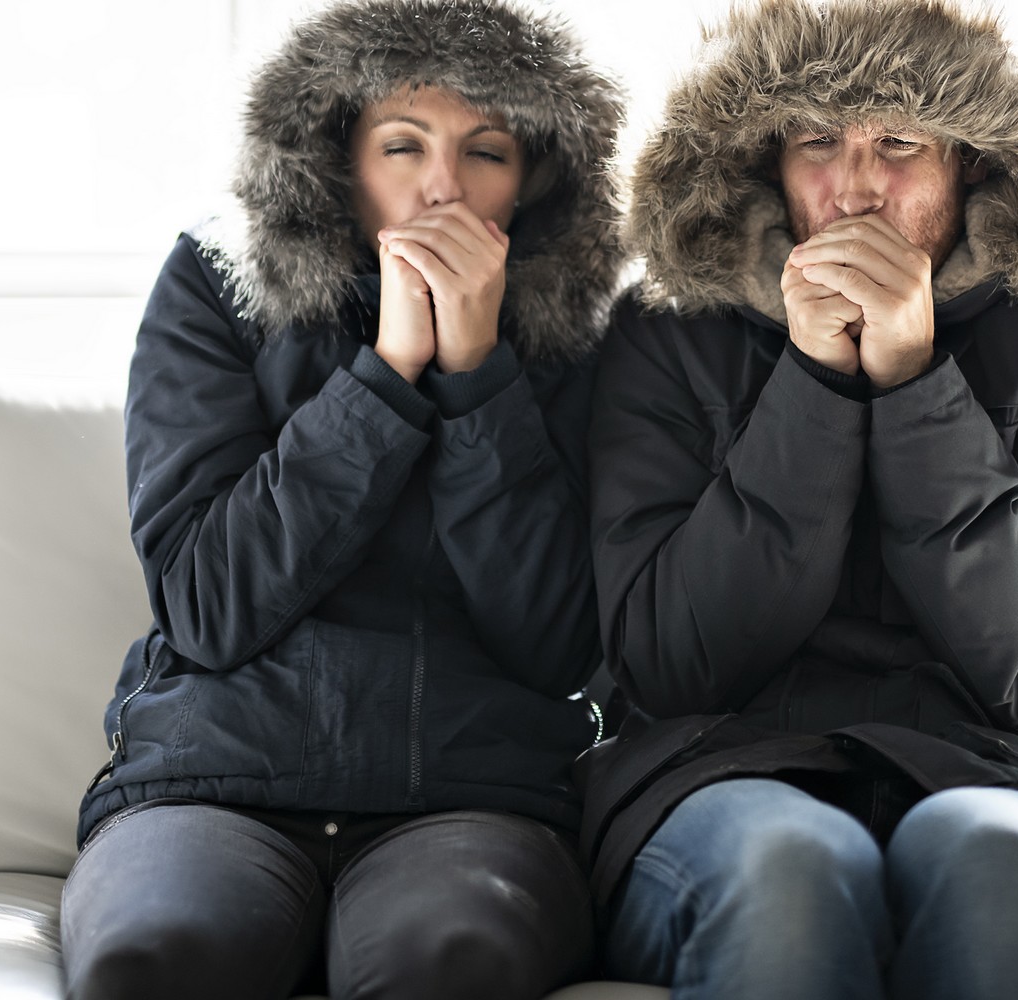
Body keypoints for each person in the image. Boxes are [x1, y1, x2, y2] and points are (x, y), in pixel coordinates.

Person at [583, 2, 1018, 998]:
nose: (856, 184)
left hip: (1005, 772)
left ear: (972, 162)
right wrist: (812, 387)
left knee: (999, 862)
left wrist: (913, 382)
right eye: (816, 139)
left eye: (899, 141)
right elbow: (667, 663)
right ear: (764, 164)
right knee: (789, 872)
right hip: (716, 774)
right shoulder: (660, 334)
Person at [59, 2, 623, 998]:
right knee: (154, 960)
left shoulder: (584, 335)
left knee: (447, 963)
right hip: (211, 783)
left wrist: (478, 373)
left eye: (484, 152)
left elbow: (558, 640)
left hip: (472, 798)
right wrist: (386, 372)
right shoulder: (215, 285)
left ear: (533, 180)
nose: (441, 185)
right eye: (401, 145)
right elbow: (206, 602)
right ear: (335, 158)